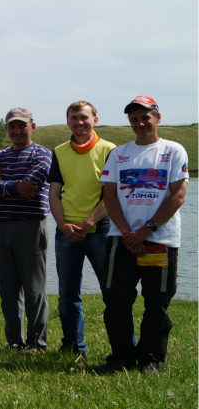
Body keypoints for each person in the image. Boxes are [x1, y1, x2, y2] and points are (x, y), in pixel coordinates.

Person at [95, 96, 188, 375]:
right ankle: (121, 357)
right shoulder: (119, 153)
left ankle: (150, 359)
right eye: (134, 119)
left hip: (159, 239)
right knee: (115, 300)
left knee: (157, 302)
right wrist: (127, 232)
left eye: (145, 117)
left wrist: (145, 231)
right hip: (121, 240)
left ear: (157, 118)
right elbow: (109, 195)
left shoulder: (173, 150)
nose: (140, 123)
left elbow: (178, 195)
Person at [47, 101, 117, 355]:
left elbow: (112, 195)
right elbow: (53, 193)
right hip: (65, 233)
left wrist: (89, 223)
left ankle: (123, 349)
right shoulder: (59, 150)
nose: (79, 122)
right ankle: (74, 347)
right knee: (67, 295)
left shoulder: (110, 150)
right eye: (74, 117)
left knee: (112, 293)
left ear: (95, 120)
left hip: (99, 231)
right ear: (68, 122)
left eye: (84, 117)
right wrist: (63, 225)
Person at [0, 107, 52, 352]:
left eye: (22, 125)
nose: (17, 130)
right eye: (12, 126)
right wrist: (15, 186)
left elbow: (32, 185)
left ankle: (36, 343)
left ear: (32, 127)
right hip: (3, 226)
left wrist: (7, 185)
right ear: (6, 129)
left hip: (32, 226)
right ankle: (14, 341)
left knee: (34, 290)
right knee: (8, 290)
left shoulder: (42, 154)